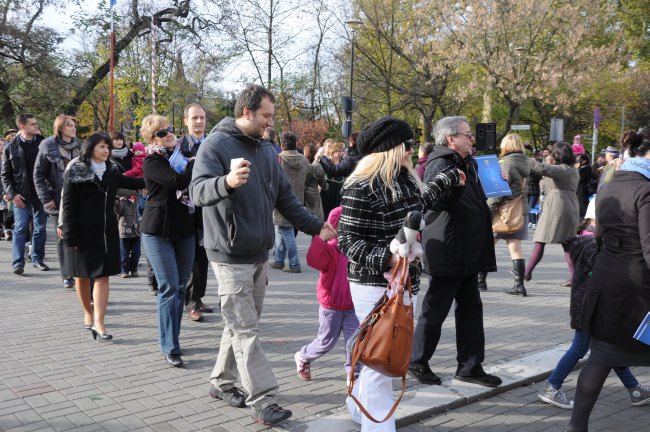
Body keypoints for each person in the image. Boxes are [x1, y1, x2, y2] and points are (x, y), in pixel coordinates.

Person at [189, 84, 335, 426]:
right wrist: (227, 182)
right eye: (266, 115)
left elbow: (286, 199)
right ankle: (263, 399)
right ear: (247, 113)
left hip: (259, 252)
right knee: (246, 329)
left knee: (239, 326)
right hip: (228, 254)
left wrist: (318, 227)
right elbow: (197, 192)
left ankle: (221, 382)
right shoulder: (216, 144)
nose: (271, 122)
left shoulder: (268, 150)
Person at [338, 116, 464, 432]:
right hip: (372, 283)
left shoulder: (405, 178)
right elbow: (346, 240)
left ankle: (358, 406)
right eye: (407, 144)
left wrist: (448, 179)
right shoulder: (360, 185)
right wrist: (386, 260)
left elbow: (421, 202)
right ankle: (378, 425)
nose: (411, 150)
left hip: (407, 281)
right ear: (390, 148)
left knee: (379, 352)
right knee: (383, 359)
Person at [409, 116, 501, 388]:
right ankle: (417, 361)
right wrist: (452, 185)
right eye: (467, 134)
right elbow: (435, 200)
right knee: (435, 308)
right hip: (450, 247)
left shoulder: (467, 162)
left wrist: (497, 182)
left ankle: (471, 366)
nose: (472, 138)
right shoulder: (441, 162)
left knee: (471, 309)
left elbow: (475, 198)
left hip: (467, 248)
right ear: (451, 139)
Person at [567, 131, 650, 431]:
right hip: (638, 287)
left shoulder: (609, 187)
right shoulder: (646, 190)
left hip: (607, 281)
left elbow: (599, 237)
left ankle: (577, 426)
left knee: (600, 356)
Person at [538, 229, 650, 410]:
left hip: (587, 303)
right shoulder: (601, 248)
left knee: (609, 348)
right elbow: (604, 276)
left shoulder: (591, 242)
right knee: (581, 347)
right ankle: (551, 386)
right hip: (591, 306)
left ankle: (635, 390)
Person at [60, 132, 144, 341]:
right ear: (90, 149)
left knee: (102, 276)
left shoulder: (112, 169)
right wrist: (69, 234)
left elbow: (130, 183)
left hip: (106, 232)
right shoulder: (76, 168)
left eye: (107, 147)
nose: (106, 150)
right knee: (82, 276)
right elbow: (68, 203)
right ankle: (88, 313)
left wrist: (155, 175)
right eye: (101, 147)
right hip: (80, 231)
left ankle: (100, 322)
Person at [139, 114, 197, 366]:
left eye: (171, 130)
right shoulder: (152, 161)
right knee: (169, 287)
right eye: (162, 133)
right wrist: (196, 163)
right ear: (152, 139)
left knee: (181, 286)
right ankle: (169, 345)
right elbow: (179, 180)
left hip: (184, 227)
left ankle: (174, 338)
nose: (170, 134)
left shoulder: (181, 158)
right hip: (157, 230)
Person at [294, 206, 359, 382]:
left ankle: (354, 373)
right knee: (326, 342)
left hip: (353, 305)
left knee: (354, 342)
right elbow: (313, 259)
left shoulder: (357, 249)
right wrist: (319, 238)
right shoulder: (330, 250)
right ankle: (303, 356)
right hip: (331, 305)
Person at [175, 103, 214, 323]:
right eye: (194, 118)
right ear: (186, 121)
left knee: (203, 257)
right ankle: (190, 303)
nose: (199, 122)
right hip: (187, 208)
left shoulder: (212, 144)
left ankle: (198, 298)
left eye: (202, 117)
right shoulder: (179, 146)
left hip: (208, 208)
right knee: (189, 257)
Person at [33, 115, 81, 288]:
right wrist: (45, 199)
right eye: (69, 125)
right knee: (63, 236)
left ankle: (79, 272)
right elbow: (38, 175)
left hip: (78, 198)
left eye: (74, 125)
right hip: (57, 198)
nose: (74, 128)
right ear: (60, 128)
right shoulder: (48, 146)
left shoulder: (79, 146)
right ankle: (67, 274)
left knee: (79, 236)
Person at [524, 142, 579, 286]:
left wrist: (527, 159)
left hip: (557, 204)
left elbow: (541, 169)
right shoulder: (571, 169)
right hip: (569, 204)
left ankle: (527, 272)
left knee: (541, 239)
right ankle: (573, 277)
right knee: (567, 244)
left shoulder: (562, 169)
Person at [1, 113, 48, 275]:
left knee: (40, 228)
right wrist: (12, 194)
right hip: (20, 195)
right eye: (33, 124)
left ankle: (37, 259)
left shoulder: (43, 144)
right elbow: (5, 175)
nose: (36, 126)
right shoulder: (11, 147)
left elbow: (51, 170)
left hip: (41, 194)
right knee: (20, 228)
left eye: (36, 123)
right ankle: (18, 263)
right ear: (22, 126)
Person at [486, 134, 531, 296]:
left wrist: (487, 210)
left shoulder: (506, 163)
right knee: (515, 247)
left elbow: (499, 191)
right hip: (519, 211)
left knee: (486, 244)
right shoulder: (526, 162)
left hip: (503, 212)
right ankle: (519, 285)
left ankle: (480, 280)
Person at [270, 132, 312, 273]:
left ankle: (294, 264)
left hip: (281, 200)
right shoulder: (304, 160)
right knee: (281, 230)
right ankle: (279, 260)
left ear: (282, 145)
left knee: (286, 231)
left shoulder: (279, 159)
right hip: (298, 199)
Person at [115, 194, 141, 278]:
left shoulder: (138, 199)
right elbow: (118, 210)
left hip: (137, 231)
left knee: (136, 252)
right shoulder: (122, 200)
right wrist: (117, 201)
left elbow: (143, 209)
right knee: (124, 253)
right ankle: (124, 270)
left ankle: (134, 269)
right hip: (124, 231)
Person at [319, 141, 346, 220]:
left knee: (336, 213)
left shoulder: (342, 162)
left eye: (341, 150)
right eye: (339, 151)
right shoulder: (326, 162)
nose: (341, 153)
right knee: (327, 213)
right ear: (333, 152)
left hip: (338, 191)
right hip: (328, 191)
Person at [303, 142, 327, 220]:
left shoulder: (302, 165)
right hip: (313, 193)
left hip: (302, 192)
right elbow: (323, 184)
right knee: (316, 217)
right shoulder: (317, 166)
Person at [575, 153, 592, 217]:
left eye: (580, 159)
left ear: (585, 161)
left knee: (581, 203)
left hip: (582, 188)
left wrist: (576, 169)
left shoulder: (587, 168)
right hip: (577, 188)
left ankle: (582, 216)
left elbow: (581, 178)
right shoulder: (579, 167)